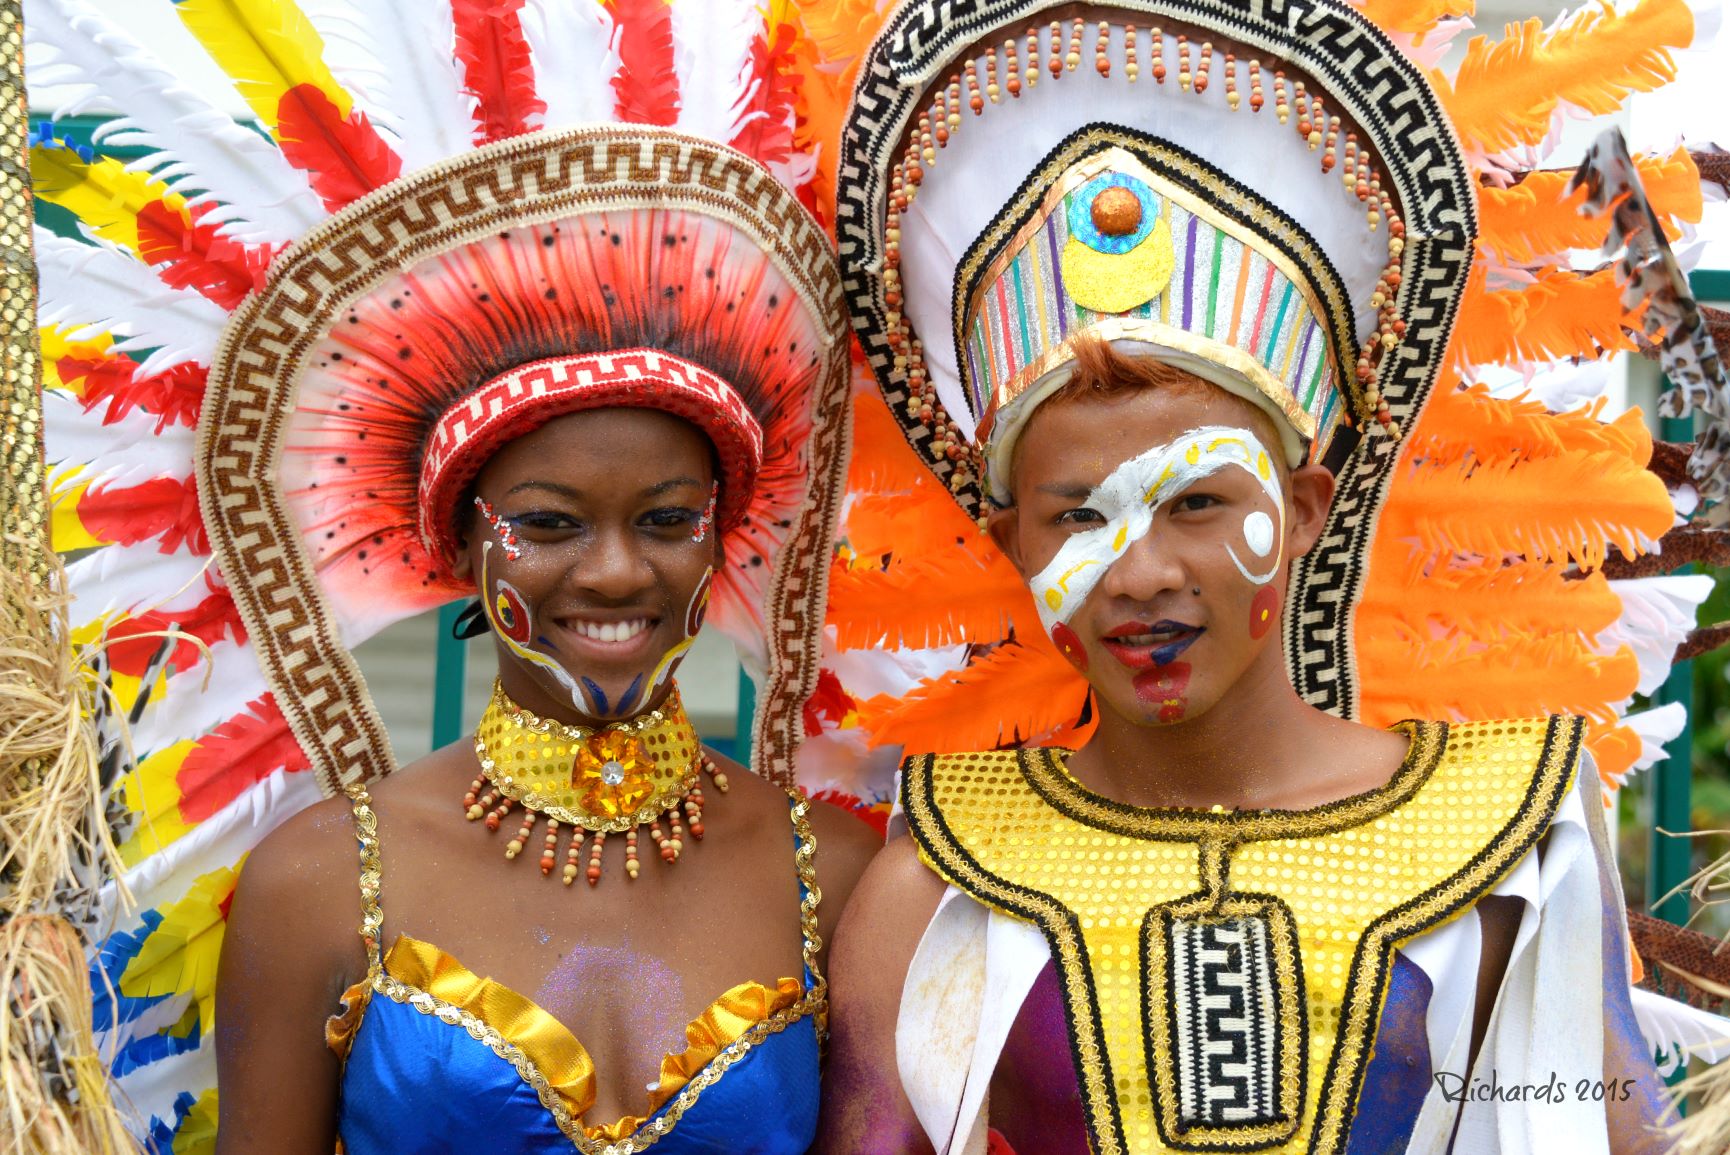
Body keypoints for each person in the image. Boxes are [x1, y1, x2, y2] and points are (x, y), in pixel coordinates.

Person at [815, 1, 1717, 1152]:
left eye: (1196, 502)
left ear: (1299, 511)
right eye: (1077, 518)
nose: (1138, 574)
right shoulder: (939, 880)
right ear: (1010, 549)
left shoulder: (1506, 842)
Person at [29, 2, 881, 1149]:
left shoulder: (835, 871)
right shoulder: (324, 879)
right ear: (460, 548)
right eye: (548, 524)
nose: (618, 572)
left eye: (668, 520)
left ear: (723, 535)